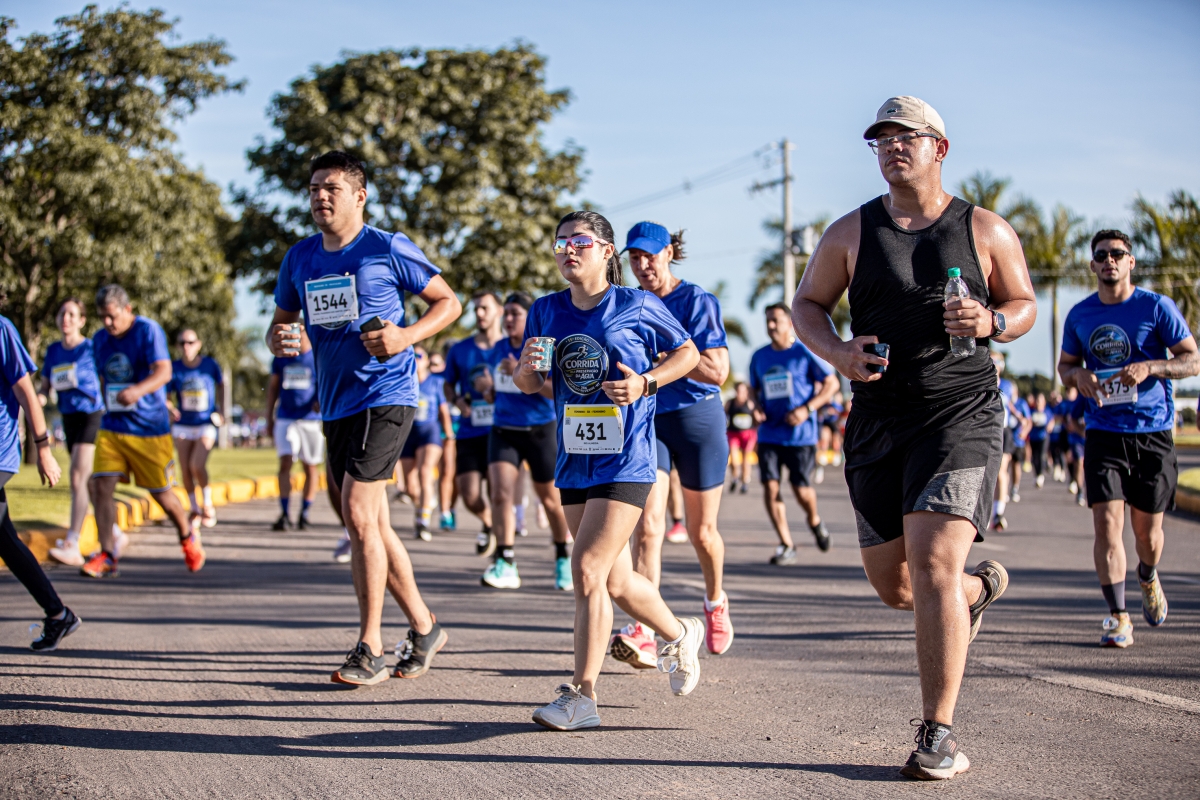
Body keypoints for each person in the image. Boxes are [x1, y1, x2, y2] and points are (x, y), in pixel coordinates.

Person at [791, 96, 1035, 780]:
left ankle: (938, 735)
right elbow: (807, 305)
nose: (893, 147)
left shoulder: (984, 229)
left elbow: (1024, 305)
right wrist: (838, 353)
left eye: (907, 136)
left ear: (940, 148)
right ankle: (974, 593)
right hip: (877, 421)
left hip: (960, 414)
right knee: (897, 587)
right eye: (882, 139)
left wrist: (992, 322)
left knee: (932, 566)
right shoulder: (851, 232)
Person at [267, 150, 460, 685]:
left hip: (387, 393)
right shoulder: (299, 258)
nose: (320, 197)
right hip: (336, 403)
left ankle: (370, 647)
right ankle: (425, 627)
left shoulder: (386, 247)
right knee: (369, 522)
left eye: (331, 187)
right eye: (313, 188)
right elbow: (279, 325)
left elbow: (448, 303)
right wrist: (280, 339)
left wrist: (405, 337)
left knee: (357, 512)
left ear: (359, 195)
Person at [519, 210, 703, 731]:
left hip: (627, 457)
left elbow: (688, 354)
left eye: (579, 241)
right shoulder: (545, 310)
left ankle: (582, 696)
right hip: (575, 457)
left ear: (606, 251)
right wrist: (527, 368)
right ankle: (680, 633)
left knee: (587, 570)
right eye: (560, 243)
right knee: (617, 580)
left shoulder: (636, 304)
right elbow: (529, 385)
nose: (567, 250)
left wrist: (645, 382)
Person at [1057, 228, 1200, 648]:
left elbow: (1192, 360)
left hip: (1152, 432)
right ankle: (1118, 616)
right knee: (1107, 525)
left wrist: (1151, 367)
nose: (1110, 261)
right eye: (1101, 255)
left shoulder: (1156, 307)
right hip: (1103, 431)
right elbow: (1065, 368)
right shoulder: (1080, 315)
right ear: (1092, 264)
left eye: (1117, 254)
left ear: (1130, 262)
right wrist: (1078, 376)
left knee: (1147, 536)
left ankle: (1148, 574)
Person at [614, 221, 734, 665]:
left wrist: (670, 355)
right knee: (648, 527)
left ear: (669, 252)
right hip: (650, 420)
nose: (642, 265)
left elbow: (717, 371)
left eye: (650, 255)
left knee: (702, 533)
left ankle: (715, 601)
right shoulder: (630, 304)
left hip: (697, 419)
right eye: (634, 257)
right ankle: (644, 630)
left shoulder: (696, 300)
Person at [83, 285, 204, 577]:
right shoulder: (99, 339)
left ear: (127, 310)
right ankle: (108, 554)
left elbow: (164, 371)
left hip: (149, 429)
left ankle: (187, 535)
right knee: (100, 485)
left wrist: (136, 391)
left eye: (112, 316)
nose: (107, 323)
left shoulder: (148, 331)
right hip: (113, 426)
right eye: (102, 317)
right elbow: (103, 378)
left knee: (163, 496)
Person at [477, 291, 573, 591]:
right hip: (504, 429)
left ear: (529, 317)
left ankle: (563, 556)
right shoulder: (497, 348)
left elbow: (556, 391)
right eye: (505, 313)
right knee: (500, 495)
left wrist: (520, 372)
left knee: (551, 501)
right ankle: (505, 561)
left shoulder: (542, 347)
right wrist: (487, 389)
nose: (508, 319)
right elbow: (495, 393)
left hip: (540, 429)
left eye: (515, 313)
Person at [0, 313, 80, 650]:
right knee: (6, 541)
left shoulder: (2, 330)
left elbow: (28, 395)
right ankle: (58, 615)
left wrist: (44, 449)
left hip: (0, 451)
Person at [749, 303, 840, 566]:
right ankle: (786, 544)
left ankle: (814, 520)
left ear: (789, 323)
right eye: (768, 320)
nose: (771, 325)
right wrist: (755, 407)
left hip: (800, 436)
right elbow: (753, 390)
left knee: (801, 490)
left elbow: (832, 383)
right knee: (770, 486)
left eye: (776, 320)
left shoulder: (803, 352)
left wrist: (806, 409)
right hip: (769, 434)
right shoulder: (759, 356)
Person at [41, 298, 127, 566]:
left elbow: (109, 376)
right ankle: (115, 533)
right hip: (68, 417)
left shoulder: (91, 348)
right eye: (62, 313)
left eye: (71, 314)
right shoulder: (53, 351)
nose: (65, 318)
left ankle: (72, 543)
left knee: (77, 477)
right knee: (87, 483)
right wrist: (34, 400)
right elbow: (44, 388)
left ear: (81, 320)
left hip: (92, 414)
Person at [444, 291, 502, 555]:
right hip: (469, 431)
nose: (479, 313)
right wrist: (458, 400)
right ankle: (489, 522)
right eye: (476, 308)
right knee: (469, 495)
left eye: (484, 308)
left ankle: (502, 547)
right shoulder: (460, 349)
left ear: (499, 311)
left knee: (498, 492)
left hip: (502, 430)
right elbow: (447, 385)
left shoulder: (509, 348)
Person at [266, 324, 324, 531]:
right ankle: (284, 513)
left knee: (310, 467)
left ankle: (305, 513)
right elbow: (273, 388)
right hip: (286, 418)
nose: (296, 334)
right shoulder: (281, 357)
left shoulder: (318, 357)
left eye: (300, 330)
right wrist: (269, 417)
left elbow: (327, 383)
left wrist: (321, 401)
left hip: (310, 420)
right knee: (285, 462)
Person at [167, 329, 224, 529]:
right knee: (185, 469)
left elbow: (222, 385)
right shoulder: (174, 368)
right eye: (182, 343)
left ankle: (207, 504)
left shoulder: (210, 365)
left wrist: (221, 410)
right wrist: (170, 408)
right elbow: (167, 396)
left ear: (198, 344)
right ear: (177, 346)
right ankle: (194, 509)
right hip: (183, 424)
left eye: (190, 342)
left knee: (197, 465)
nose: (186, 346)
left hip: (205, 423)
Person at [398, 345, 452, 542]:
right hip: (408, 434)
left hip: (430, 432)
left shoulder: (436, 382)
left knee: (425, 472)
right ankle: (425, 503)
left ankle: (422, 521)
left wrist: (448, 433)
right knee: (410, 486)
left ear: (427, 360)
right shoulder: (402, 381)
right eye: (411, 355)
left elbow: (443, 410)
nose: (415, 359)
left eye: (419, 355)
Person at [429, 348, 458, 531]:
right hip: (444, 430)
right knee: (446, 470)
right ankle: (445, 512)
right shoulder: (435, 380)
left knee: (458, 476)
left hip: (464, 427)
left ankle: (450, 508)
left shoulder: (462, 373)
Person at [724, 381, 758, 494]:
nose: (740, 393)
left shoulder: (750, 403)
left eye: (743, 391)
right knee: (733, 459)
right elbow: (723, 416)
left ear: (746, 392)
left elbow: (756, 418)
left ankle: (745, 482)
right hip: (733, 434)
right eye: (738, 391)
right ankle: (735, 477)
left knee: (745, 459)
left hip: (748, 434)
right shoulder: (730, 403)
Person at [1027, 392, 1053, 488]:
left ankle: (1040, 475)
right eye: (1037, 400)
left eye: (1040, 400)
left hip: (1043, 437)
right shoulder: (1031, 411)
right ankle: (1037, 474)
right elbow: (1028, 421)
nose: (1038, 402)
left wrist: (1050, 426)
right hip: (1034, 437)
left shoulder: (1047, 411)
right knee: (1035, 457)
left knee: (1042, 455)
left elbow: (1052, 420)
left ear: (1044, 402)